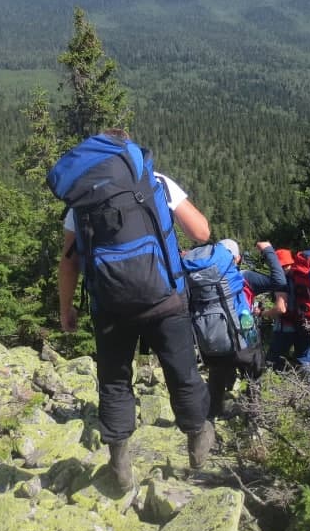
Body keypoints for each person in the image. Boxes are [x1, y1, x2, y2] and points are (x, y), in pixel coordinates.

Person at [58, 132, 215, 491]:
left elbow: (69, 264)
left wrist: (67, 308)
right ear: (128, 152)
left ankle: (120, 460)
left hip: (110, 306)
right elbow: (201, 232)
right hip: (165, 298)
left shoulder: (81, 199)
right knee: (182, 372)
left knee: (115, 379)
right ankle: (197, 439)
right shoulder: (156, 181)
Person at [204, 239, 286, 420]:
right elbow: (278, 280)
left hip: (215, 342)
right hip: (244, 342)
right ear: (238, 258)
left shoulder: (203, 278)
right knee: (254, 377)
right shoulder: (244, 277)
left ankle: (209, 424)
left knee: (216, 382)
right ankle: (254, 422)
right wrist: (269, 251)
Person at [269, 247, 310, 373]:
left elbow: (282, 309)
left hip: (286, 327)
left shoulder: (282, 281)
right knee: (306, 358)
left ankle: (270, 388)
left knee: (273, 359)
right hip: (306, 325)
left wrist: (264, 313)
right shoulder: (303, 276)